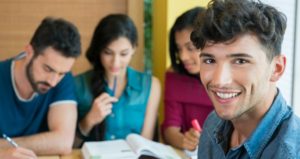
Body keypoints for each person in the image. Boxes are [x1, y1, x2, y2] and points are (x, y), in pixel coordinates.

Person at [190, 0, 300, 158]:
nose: (220, 81)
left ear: (277, 68)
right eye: (210, 60)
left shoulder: (290, 153)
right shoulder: (213, 123)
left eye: (240, 61)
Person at [74, 14, 161, 146]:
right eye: (108, 53)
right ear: (99, 50)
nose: (115, 63)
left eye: (123, 54)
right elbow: (68, 145)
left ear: (134, 49)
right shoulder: (77, 84)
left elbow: (145, 144)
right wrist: (89, 120)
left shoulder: (151, 86)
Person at [0, 17, 81, 157]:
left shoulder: (63, 78)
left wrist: (3, 147)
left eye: (61, 73)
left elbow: (63, 142)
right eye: (48, 69)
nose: (53, 82)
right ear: (29, 52)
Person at [161, 7, 213, 151]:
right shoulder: (174, 75)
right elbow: (170, 129)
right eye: (179, 48)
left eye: (190, 48)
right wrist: (184, 141)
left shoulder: (228, 79)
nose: (182, 56)